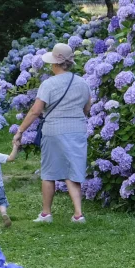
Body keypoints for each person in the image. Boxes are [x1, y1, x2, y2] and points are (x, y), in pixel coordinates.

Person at [12, 43, 92, 224]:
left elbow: (35, 111)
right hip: (77, 130)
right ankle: (78, 214)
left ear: (55, 63)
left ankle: (46, 214)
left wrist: (20, 131)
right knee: (73, 170)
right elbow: (87, 109)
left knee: (49, 172)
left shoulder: (48, 84)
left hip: (54, 131)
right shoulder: (83, 83)